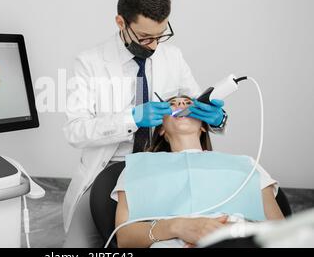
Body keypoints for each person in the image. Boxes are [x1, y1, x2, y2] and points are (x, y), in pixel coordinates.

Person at [62, 0, 228, 247]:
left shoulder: (172, 57)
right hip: (110, 167)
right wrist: (131, 119)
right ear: (120, 23)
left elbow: (197, 105)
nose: (153, 45)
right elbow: (75, 131)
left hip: (162, 164)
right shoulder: (89, 63)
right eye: (145, 37)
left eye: (160, 35)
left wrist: (217, 118)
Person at [112, 96, 285, 248]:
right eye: (172, 104)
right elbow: (125, 238)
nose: (181, 103)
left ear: (203, 126)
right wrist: (177, 226)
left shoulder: (245, 164)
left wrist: (233, 231)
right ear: (162, 128)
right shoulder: (139, 167)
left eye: (188, 103)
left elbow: (280, 230)